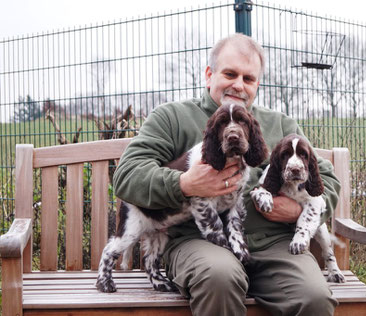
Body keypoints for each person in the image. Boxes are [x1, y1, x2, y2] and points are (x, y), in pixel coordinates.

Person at [113, 33, 340, 316]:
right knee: (219, 278)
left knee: (314, 298)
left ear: (258, 83)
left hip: (274, 244)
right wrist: (184, 183)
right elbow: (127, 175)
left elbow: (327, 180)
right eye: (230, 74)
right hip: (198, 242)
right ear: (209, 74)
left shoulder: (279, 125)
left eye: (249, 78)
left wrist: (296, 211)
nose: (238, 85)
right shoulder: (172, 118)